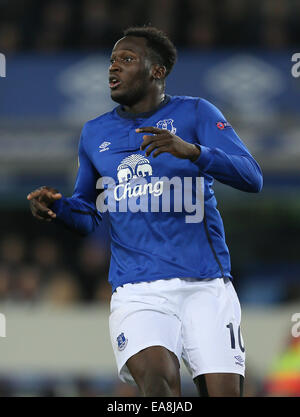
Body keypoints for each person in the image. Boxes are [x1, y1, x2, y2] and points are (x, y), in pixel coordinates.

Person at [27, 26, 263, 397]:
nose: (113, 68)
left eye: (127, 59)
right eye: (112, 61)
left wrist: (195, 153)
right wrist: (59, 208)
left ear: (157, 71)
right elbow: (88, 215)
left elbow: (253, 178)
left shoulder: (196, 113)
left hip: (206, 285)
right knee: (158, 385)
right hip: (138, 291)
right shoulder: (94, 133)